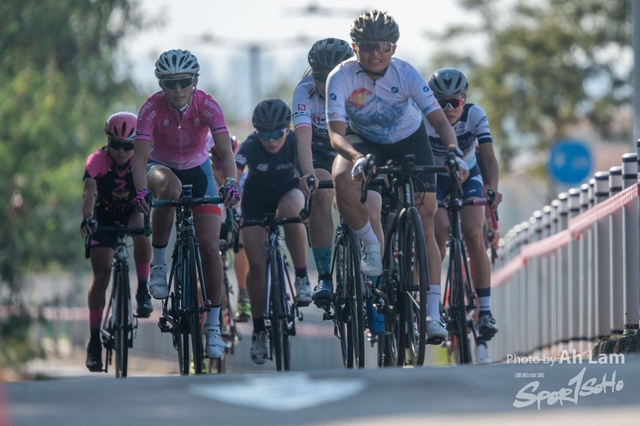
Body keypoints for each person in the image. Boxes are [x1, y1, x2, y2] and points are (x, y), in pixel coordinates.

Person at [326, 10, 468, 341]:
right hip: (364, 140)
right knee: (342, 178)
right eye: (368, 46)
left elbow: (440, 121)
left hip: (408, 139)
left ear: (394, 48)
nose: (376, 53)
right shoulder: (341, 77)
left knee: (426, 217)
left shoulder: (406, 73)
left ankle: (431, 314)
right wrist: (357, 158)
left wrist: (453, 151)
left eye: (384, 46)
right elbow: (335, 135)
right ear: (354, 46)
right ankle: (371, 244)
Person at [131, 49, 240, 360]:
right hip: (160, 166)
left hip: (198, 168)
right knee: (171, 188)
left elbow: (226, 155)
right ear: (160, 84)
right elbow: (139, 159)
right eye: (170, 83)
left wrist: (231, 183)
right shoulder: (150, 109)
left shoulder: (208, 105)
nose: (178, 89)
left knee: (210, 249)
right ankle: (159, 264)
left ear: (195, 80)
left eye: (184, 81)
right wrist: (141, 192)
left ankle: (213, 326)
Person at [426, 67, 503, 363]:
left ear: (465, 99)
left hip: (468, 175)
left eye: (455, 102)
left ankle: (485, 312)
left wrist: (492, 189)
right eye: (441, 102)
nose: (449, 109)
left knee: (473, 234)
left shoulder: (474, 115)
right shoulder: (423, 118)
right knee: (440, 229)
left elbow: (489, 158)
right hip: (435, 179)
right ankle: (433, 299)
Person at [235, 98, 312, 364]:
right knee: (256, 266)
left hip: (288, 192)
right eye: (264, 134)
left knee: (291, 211)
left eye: (276, 133)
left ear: (287, 129)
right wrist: (231, 191)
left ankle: (301, 277)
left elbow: (308, 170)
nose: (270, 140)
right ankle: (258, 330)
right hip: (255, 202)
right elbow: (235, 170)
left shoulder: (294, 143)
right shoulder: (250, 146)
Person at [81, 112, 152, 372]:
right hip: (104, 217)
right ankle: (94, 342)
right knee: (102, 274)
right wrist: (87, 218)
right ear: (108, 142)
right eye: (116, 145)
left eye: (127, 146)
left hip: (132, 211)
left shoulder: (142, 160)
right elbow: (89, 191)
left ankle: (142, 289)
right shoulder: (97, 160)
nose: (121, 151)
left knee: (141, 228)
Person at [293, 38, 355, 308]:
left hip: (352, 147)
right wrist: (308, 174)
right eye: (321, 77)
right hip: (318, 149)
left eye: (334, 77)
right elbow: (303, 137)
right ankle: (325, 277)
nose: (328, 84)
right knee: (321, 192)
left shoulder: (360, 88)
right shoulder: (304, 91)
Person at [209, 135, 251, 322]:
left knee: (243, 237)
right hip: (213, 227)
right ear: (211, 164)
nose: (225, 171)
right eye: (220, 165)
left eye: (231, 165)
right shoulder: (206, 180)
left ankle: (243, 294)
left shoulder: (244, 181)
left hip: (236, 226)